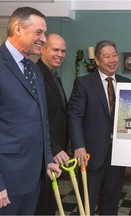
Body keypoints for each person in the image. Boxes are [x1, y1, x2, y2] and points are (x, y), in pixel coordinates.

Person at [0, 7, 62, 214]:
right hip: (7, 181)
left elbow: (42, 120)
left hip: (34, 178)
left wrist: (47, 159)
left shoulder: (34, 70)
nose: (44, 39)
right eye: (39, 32)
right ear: (18, 28)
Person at [67, 40, 131, 214]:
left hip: (117, 154)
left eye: (115, 55)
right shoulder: (84, 83)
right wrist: (78, 146)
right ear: (97, 60)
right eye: (107, 56)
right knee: (87, 199)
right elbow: (74, 117)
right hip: (90, 154)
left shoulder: (126, 82)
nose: (112, 60)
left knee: (111, 199)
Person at [35, 33, 70, 215]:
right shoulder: (37, 75)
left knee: (50, 202)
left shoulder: (54, 76)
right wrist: (54, 148)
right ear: (42, 49)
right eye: (55, 49)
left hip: (53, 153)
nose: (60, 54)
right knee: (41, 205)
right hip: (44, 154)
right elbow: (38, 119)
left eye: (63, 51)